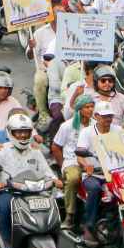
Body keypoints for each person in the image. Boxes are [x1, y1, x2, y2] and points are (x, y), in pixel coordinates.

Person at [0, 113, 60, 248]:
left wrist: (55, 180)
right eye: (19, 132)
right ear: (11, 133)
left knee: (49, 205)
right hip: (8, 190)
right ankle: (7, 245)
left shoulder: (36, 151)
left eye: (26, 132)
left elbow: (46, 171)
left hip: (32, 190)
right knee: (6, 208)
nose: (23, 136)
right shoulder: (1, 150)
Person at [76, 102, 123, 245]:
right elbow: (79, 155)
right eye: (104, 116)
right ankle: (89, 225)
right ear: (96, 116)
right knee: (95, 189)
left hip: (115, 174)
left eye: (110, 116)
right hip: (94, 175)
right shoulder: (87, 132)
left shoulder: (118, 130)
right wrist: (86, 164)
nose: (107, 119)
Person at [52, 94, 95, 230]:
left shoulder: (95, 125)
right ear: (80, 109)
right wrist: (63, 165)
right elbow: (56, 147)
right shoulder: (67, 126)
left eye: (92, 106)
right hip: (72, 161)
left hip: (92, 160)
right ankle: (70, 215)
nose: (90, 110)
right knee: (73, 178)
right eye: (87, 107)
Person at [28, 11, 57, 124]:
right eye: (56, 14)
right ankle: (43, 114)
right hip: (45, 69)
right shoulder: (40, 33)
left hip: (65, 68)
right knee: (40, 80)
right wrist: (31, 48)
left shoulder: (71, 31)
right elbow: (30, 56)